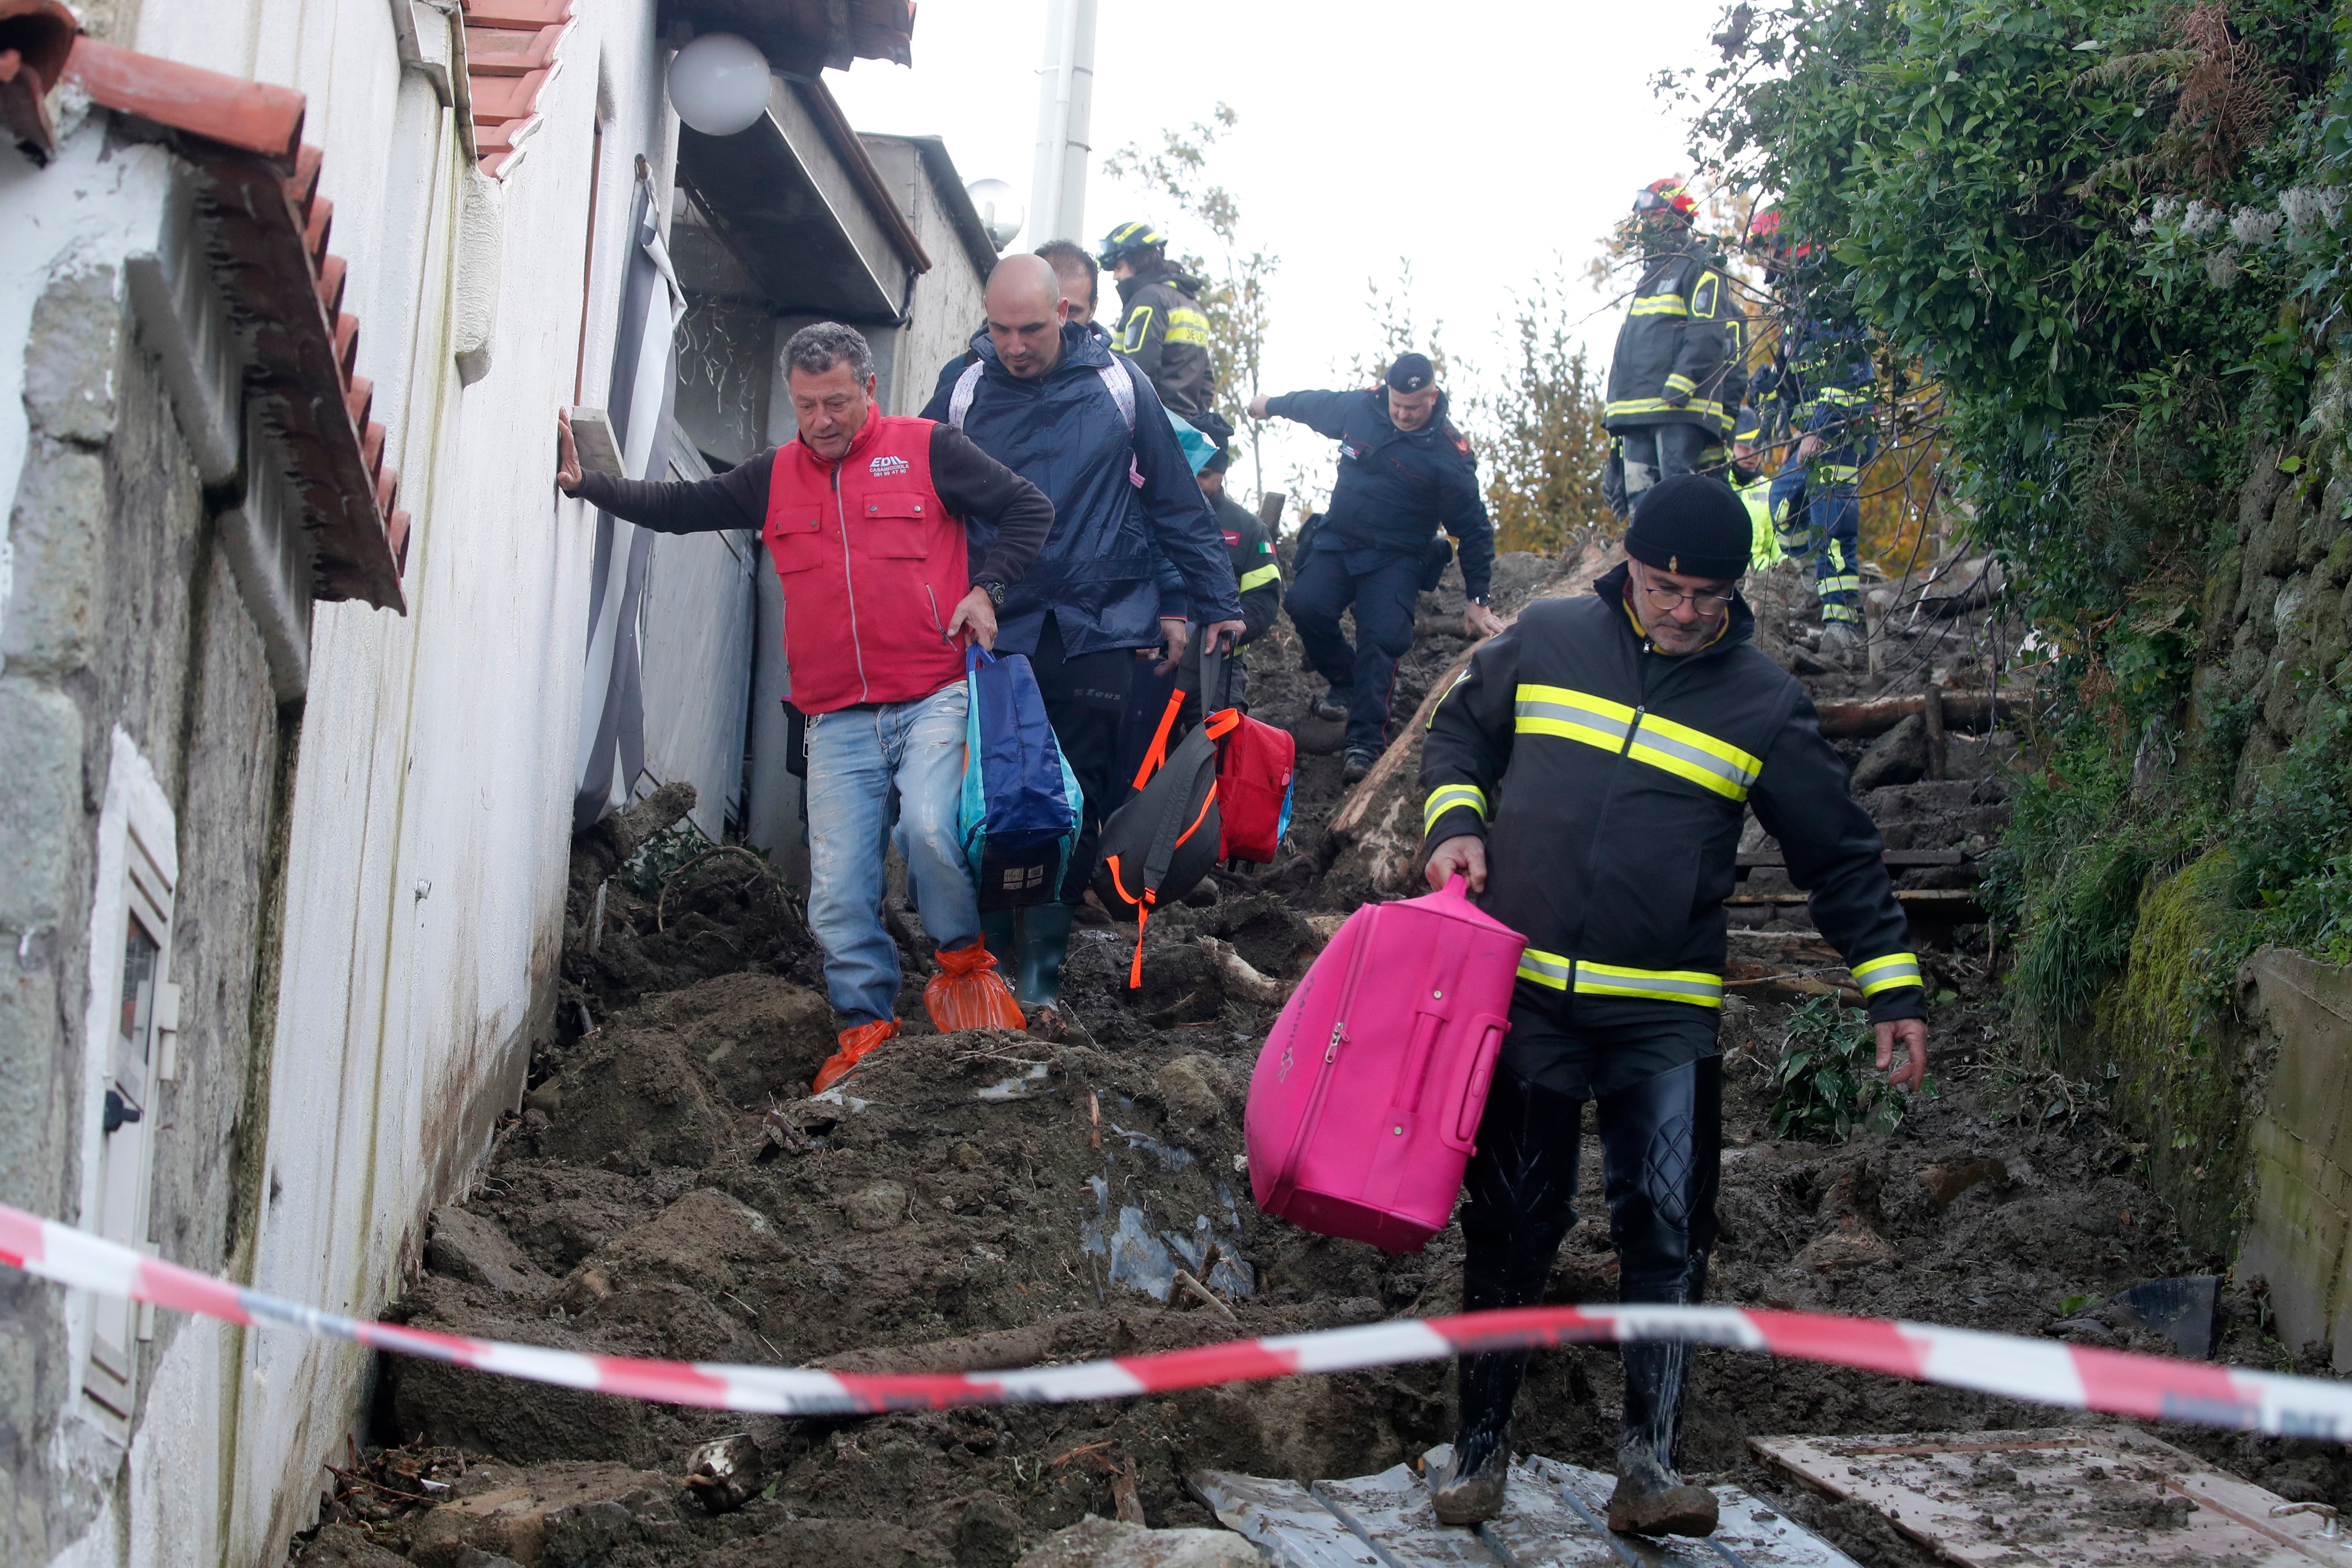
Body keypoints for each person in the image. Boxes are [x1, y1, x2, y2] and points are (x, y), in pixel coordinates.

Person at [1416, 474, 1929, 1538]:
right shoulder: (1548, 639)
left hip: (1663, 1016)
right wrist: (1454, 822)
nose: (1685, 610)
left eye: (1708, 593)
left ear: (1735, 592)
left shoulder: (1762, 701)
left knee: (1667, 1230)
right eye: (1664, 587)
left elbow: (1836, 852)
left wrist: (1890, 979)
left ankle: (1648, 1464)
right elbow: (1461, 736)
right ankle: (1478, 1452)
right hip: (1525, 1003)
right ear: (1628, 569)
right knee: (1512, 1224)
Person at [554, 323, 1054, 1087]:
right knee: (838, 888)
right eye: (806, 405)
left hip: (935, 692)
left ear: (870, 391)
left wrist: (989, 590)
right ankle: (865, 1027)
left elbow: (1029, 509)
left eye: (837, 402)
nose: (821, 421)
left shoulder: (928, 450)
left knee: (927, 826)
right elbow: (681, 505)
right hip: (835, 715)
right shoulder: (773, 475)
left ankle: (962, 966)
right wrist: (589, 484)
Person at [921, 254, 1244, 1029]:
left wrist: (1214, 600)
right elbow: (920, 502)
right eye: (999, 330)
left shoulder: (1120, 385)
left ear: (1064, 314)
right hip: (1001, 624)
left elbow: (1173, 502)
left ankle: (1042, 983)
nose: (1014, 345)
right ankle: (993, 972)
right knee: (1002, 802)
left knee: (1078, 808)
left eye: (1030, 329)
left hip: (1099, 624)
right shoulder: (962, 388)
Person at [1250, 355, 1502, 781]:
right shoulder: (1361, 408)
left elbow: (1475, 530)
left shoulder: (1447, 455)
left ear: (1432, 397)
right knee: (1304, 604)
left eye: (1413, 408)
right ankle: (1344, 680)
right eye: (1397, 404)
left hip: (1397, 557)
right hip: (1339, 541)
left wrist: (1478, 600)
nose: (1403, 414)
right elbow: (1315, 405)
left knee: (1382, 635)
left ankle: (1364, 744)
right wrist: (1271, 403)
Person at [1748, 207, 1875, 656]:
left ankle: (1842, 625)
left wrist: (1818, 430)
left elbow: (1850, 377)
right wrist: (1770, 384)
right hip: (1810, 435)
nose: (1765, 264)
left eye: (1767, 251)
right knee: (1782, 504)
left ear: (1788, 245)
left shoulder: (1830, 301)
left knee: (1833, 528)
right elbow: (1798, 375)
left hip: (1842, 433)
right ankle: (1814, 582)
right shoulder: (1796, 309)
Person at [1603, 178, 1741, 514]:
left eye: (1653, 217)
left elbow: (1707, 333)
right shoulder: (1648, 277)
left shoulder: (1701, 264)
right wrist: (1613, 432)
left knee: (1677, 500)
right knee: (1642, 508)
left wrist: (1680, 387)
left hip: (1677, 408)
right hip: (1635, 411)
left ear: (1677, 217)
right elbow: (1629, 348)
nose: (1646, 227)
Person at [1098, 220, 1219, 433]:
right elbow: (1207, 380)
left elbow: (1137, 372)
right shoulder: (1190, 303)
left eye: (1118, 267)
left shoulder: (1148, 300)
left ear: (1136, 262)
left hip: (1153, 428)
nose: (1116, 276)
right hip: (1185, 428)